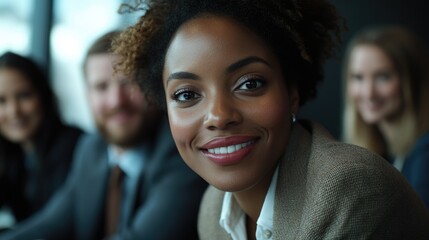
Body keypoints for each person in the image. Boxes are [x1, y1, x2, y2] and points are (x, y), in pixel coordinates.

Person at [113, 0, 429, 239]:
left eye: (250, 84)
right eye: (185, 95)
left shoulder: (350, 192)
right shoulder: (214, 208)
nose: (219, 116)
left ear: (292, 92)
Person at [0, 31, 207, 240]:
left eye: (129, 82)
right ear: (87, 94)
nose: (116, 101)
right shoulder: (91, 147)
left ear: (153, 86)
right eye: (101, 87)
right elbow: (52, 221)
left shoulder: (182, 150)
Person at [342, 26, 429, 208]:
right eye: (358, 77)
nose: (369, 93)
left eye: (383, 77)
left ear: (411, 80)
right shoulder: (386, 156)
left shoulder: (425, 153)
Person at [0, 52, 82, 226]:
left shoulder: (77, 147)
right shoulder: (15, 156)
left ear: (43, 96)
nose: (14, 111)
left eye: (24, 96)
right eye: (1, 101)